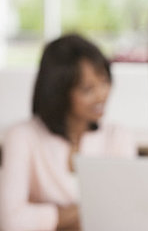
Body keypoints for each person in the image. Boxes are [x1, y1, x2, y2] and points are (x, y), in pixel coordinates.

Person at [0, 34, 136, 231]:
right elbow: (11, 222)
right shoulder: (22, 137)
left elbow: (124, 215)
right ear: (59, 92)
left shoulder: (118, 137)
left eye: (105, 81)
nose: (101, 94)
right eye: (87, 89)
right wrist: (88, 211)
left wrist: (43, 215)